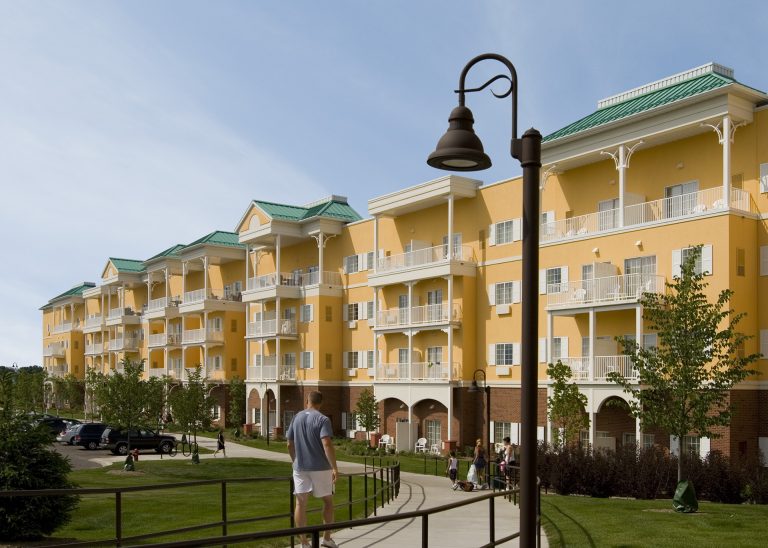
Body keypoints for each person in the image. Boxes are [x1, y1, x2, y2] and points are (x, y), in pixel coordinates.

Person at [286, 391, 339, 548]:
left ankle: (304, 542)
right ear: (320, 403)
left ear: (307, 401)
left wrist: (294, 460)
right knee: (328, 502)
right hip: (321, 467)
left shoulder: (296, 417)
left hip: (300, 467)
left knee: (300, 504)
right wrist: (335, 468)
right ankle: (327, 539)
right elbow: (327, 444)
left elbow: (289, 444)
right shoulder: (323, 419)